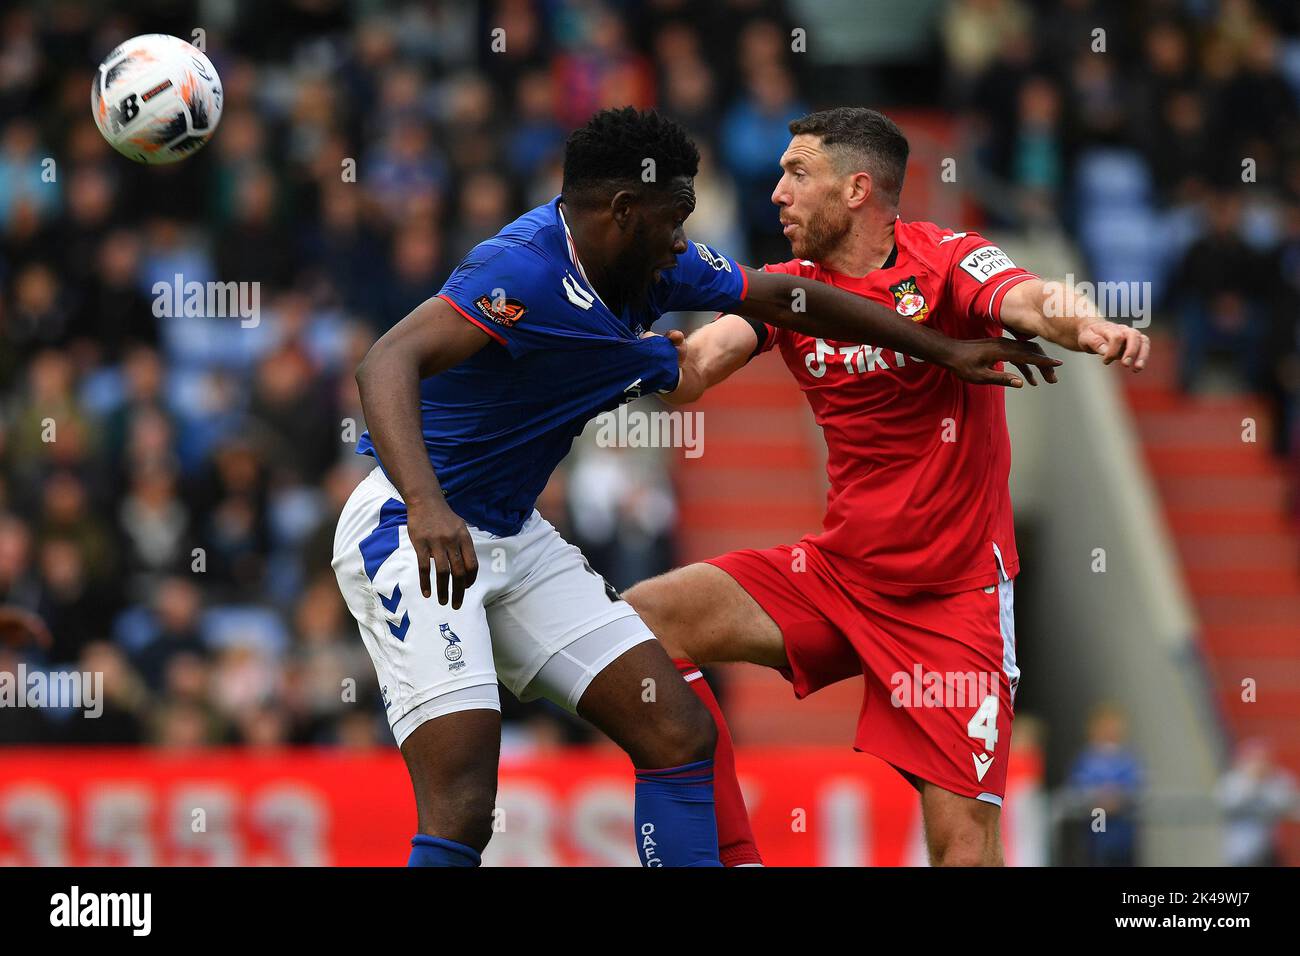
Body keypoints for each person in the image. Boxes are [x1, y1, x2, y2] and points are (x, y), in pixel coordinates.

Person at [331, 106, 1058, 868]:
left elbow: (787, 299)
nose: (684, 239)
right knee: (466, 800)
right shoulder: (518, 273)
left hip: (514, 539)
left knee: (678, 730)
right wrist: (426, 505)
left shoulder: (659, 263)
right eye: (676, 218)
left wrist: (941, 347)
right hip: (413, 531)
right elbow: (384, 363)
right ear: (623, 211)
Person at [625, 107, 1150, 866]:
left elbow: (1030, 299)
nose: (776, 192)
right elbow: (704, 362)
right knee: (642, 622)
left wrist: (1089, 324)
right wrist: (667, 364)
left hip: (953, 599)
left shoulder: (946, 262)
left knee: (963, 847)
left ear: (857, 190)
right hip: (840, 577)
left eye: (797, 174)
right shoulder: (792, 290)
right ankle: (731, 856)